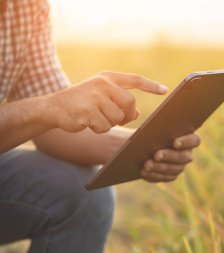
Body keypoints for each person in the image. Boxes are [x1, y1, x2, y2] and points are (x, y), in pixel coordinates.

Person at [0, 0, 201, 252]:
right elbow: (49, 110)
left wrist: (148, 146)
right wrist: (50, 107)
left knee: (83, 193)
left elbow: (51, 128)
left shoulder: (29, 6)